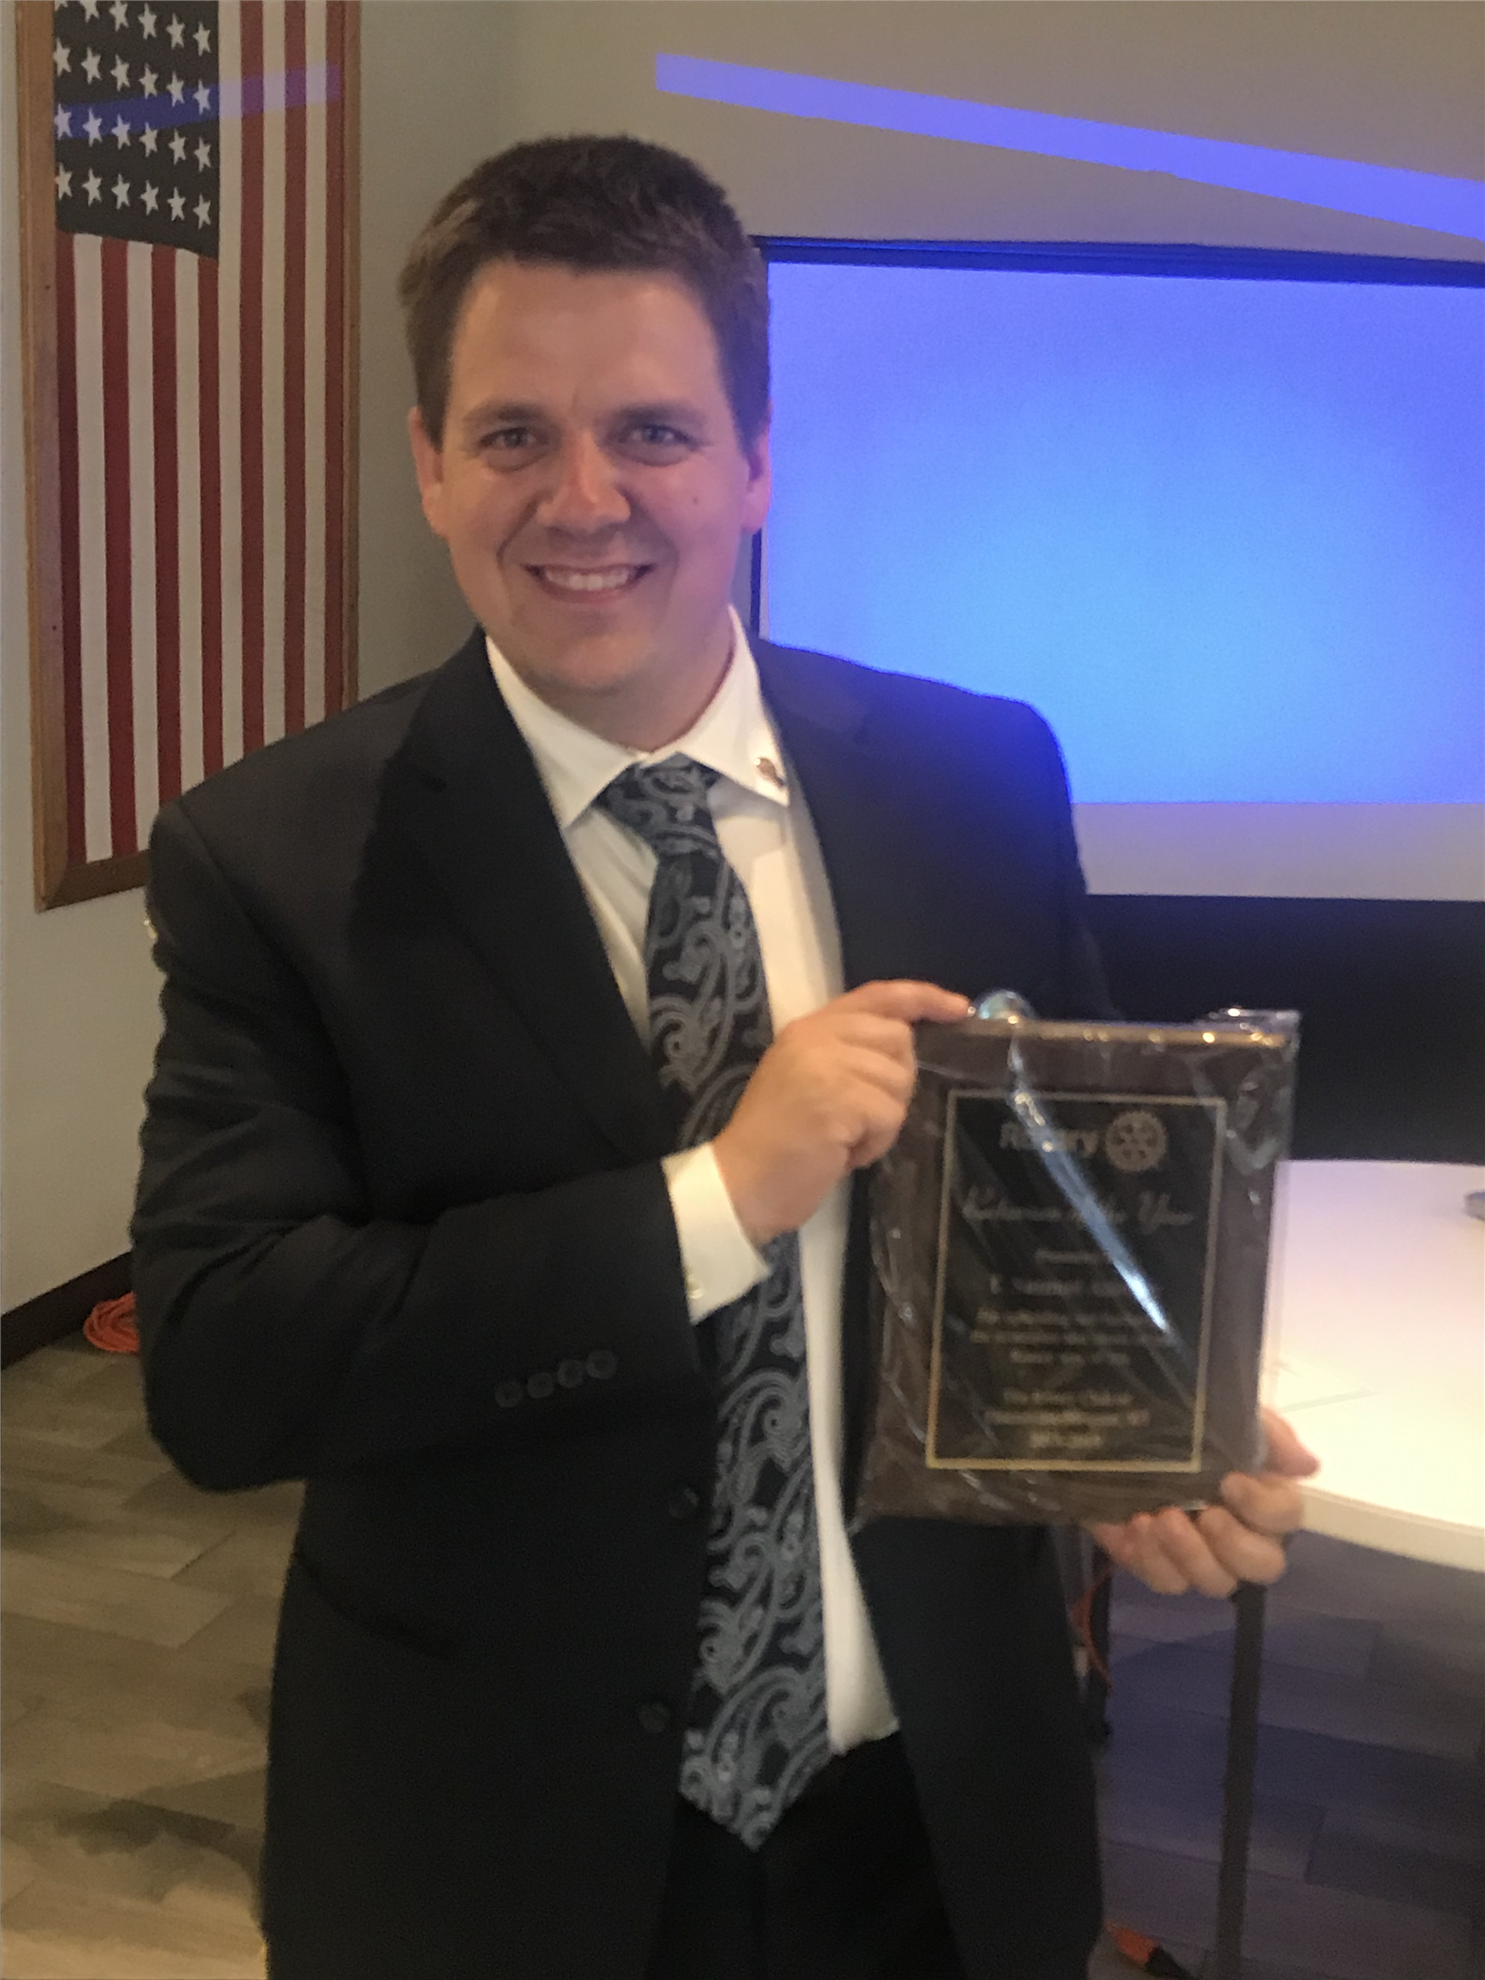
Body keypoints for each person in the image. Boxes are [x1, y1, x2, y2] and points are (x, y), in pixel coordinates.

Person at [132, 135, 1316, 1980]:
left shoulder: (973, 781)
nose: (582, 496)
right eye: (513, 433)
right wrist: (716, 1198)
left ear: (757, 462)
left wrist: (1130, 1437)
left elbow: (1054, 1210)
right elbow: (225, 1368)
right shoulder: (274, 860)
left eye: (654, 432)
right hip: (495, 1849)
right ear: (430, 464)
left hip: (935, 1820)